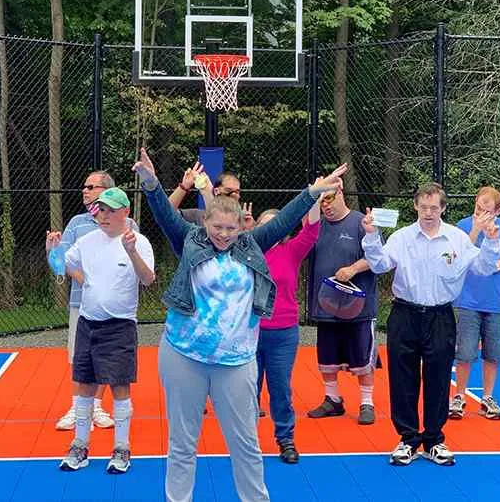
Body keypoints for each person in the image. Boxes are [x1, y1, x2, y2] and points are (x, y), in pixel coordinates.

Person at [132, 148, 345, 502]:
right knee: (182, 443)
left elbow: (284, 221)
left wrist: (313, 192)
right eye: (218, 227)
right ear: (206, 223)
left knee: (245, 443)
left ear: (242, 227)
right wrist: (151, 182)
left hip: (236, 360)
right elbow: (163, 215)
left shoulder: (251, 243)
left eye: (231, 228)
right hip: (184, 354)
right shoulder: (188, 238)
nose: (224, 235)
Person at [361, 182, 500, 467]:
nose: (428, 213)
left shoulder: (458, 239)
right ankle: (408, 439)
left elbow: (484, 268)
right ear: (415, 206)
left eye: (434, 207)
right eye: (423, 207)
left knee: (438, 378)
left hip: (440, 316)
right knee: (402, 378)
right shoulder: (401, 238)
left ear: (443, 208)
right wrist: (371, 236)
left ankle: (435, 440)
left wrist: (492, 241)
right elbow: (378, 265)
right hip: (405, 314)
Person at [52, 187, 155, 473]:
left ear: (126, 212)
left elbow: (148, 279)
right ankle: (80, 446)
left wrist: (132, 252)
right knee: (84, 385)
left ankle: (122, 449)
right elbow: (60, 265)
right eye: (100, 209)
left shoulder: (139, 242)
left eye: (110, 210)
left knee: (120, 387)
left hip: (120, 326)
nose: (103, 215)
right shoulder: (86, 241)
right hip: (88, 324)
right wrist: (53, 251)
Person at [45, 171, 139, 431]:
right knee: (80, 356)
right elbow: (62, 262)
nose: (84, 190)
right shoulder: (77, 222)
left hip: (117, 308)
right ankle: (78, 406)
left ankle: (97, 406)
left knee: (109, 358)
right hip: (82, 302)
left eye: (91, 186)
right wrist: (54, 251)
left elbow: (135, 267)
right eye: (84, 186)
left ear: (107, 192)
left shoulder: (130, 227)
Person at [450, 186, 500, 421]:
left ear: (499, 211)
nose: (481, 213)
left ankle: (488, 398)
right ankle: (459, 396)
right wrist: (475, 229)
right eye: (478, 208)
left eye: (487, 211)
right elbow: (456, 255)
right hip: (468, 300)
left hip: (496, 302)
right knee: (465, 351)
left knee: (493, 353)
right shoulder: (463, 226)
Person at [255, 200, 321, 464]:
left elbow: (312, 230)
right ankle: (247, 442)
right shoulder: (247, 251)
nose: (270, 229)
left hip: (283, 333)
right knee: (247, 390)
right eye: (264, 225)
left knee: (280, 389)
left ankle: (285, 439)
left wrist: (316, 195)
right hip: (249, 332)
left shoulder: (292, 250)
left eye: (275, 224)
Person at [305, 188, 378, 425]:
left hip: (358, 307)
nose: (325, 205)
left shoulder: (361, 222)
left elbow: (379, 258)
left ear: (341, 193)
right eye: (321, 200)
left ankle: (367, 403)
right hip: (326, 304)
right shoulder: (317, 226)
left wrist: (353, 269)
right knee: (327, 356)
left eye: (329, 198)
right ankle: (332, 400)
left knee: (362, 357)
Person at [170, 164, 255, 229]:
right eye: (228, 190)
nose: (233, 195)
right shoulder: (197, 216)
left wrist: (248, 229)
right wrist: (184, 187)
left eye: (237, 192)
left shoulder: (243, 222)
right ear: (216, 191)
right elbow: (166, 212)